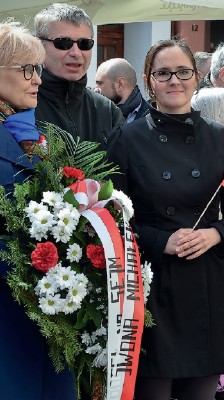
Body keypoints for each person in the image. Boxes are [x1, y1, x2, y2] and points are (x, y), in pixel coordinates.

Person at [106, 39, 224, 400]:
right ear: (148, 80)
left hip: (210, 286)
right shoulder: (126, 139)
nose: (175, 80)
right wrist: (160, 240)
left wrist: (215, 235)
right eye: (163, 73)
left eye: (183, 71)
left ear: (196, 77)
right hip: (155, 289)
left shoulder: (221, 138)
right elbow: (112, 223)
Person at [0, 20, 76, 400]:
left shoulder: (32, 133)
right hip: (9, 307)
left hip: (47, 306)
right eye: (27, 70)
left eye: (38, 69)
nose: (38, 80)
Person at [34, 3, 124, 147]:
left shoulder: (107, 111)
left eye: (84, 44)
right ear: (39, 46)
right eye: (63, 43)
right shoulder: (19, 106)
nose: (75, 53)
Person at [94, 57, 149, 122]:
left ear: (120, 84)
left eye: (100, 83)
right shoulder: (95, 113)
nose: (95, 89)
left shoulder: (153, 120)